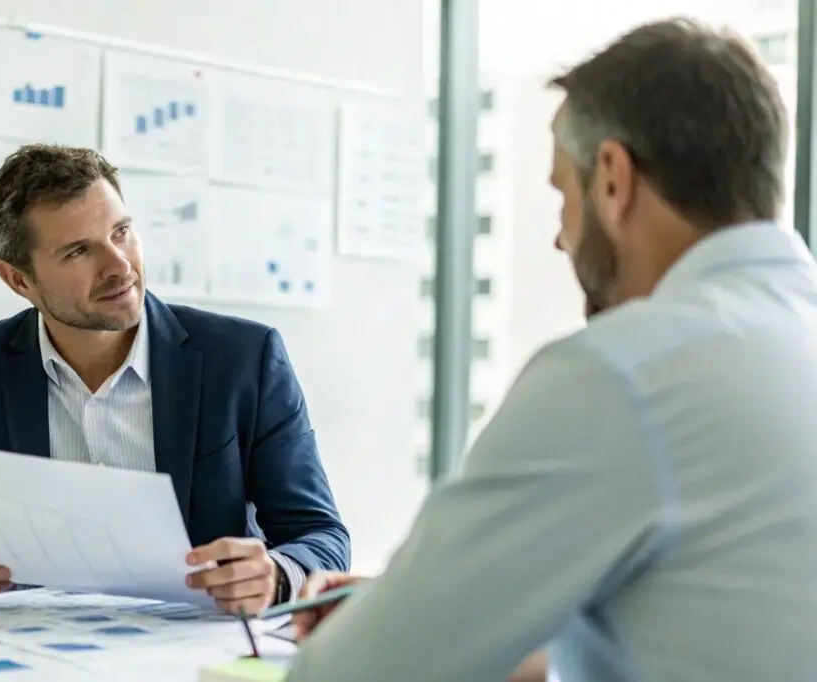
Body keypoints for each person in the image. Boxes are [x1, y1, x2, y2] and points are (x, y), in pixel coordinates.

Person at [285, 18, 817, 682]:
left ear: (615, 179)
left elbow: (352, 675)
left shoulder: (622, 374)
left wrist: (396, 628)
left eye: (563, 193)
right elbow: (711, 627)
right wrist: (473, 625)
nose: (562, 241)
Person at [0, 144, 350, 615]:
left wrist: (276, 576)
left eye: (121, 232)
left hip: (194, 647)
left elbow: (319, 535)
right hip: (35, 651)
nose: (120, 265)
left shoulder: (245, 359)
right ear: (19, 280)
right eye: (80, 250)